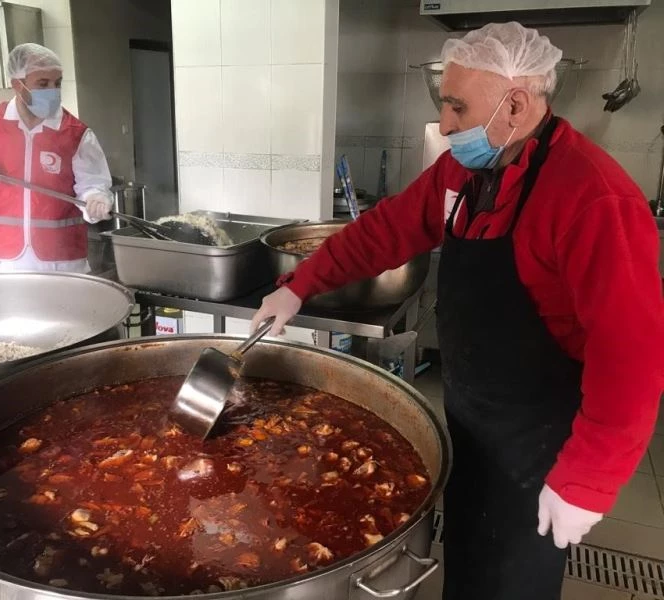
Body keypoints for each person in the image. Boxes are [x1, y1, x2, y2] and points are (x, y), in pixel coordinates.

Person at [251, 22, 664, 600]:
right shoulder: (468, 171)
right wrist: (300, 284)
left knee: (512, 579)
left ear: (515, 105)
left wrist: (587, 483)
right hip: (472, 418)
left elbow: (632, 361)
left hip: (537, 441)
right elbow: (386, 230)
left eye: (454, 106)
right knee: (469, 554)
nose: (444, 125)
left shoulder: (593, 199)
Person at [0, 43, 114, 273]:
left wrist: (96, 198)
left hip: (64, 263)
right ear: (18, 84)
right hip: (7, 262)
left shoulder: (75, 133)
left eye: (57, 83)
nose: (53, 91)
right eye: (43, 84)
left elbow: (93, 185)